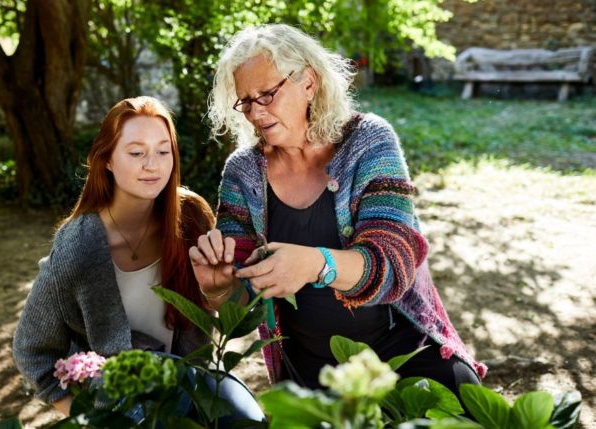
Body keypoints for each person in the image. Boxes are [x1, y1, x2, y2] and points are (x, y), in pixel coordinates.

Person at [189, 24, 487, 397]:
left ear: (308, 82)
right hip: (313, 377)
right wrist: (220, 289)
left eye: (267, 94)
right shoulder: (242, 173)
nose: (255, 113)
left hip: (404, 355)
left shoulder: (368, 143)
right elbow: (244, 311)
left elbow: (394, 268)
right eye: (245, 101)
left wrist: (314, 264)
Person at [12, 96, 263, 423]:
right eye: (136, 152)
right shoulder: (78, 245)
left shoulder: (191, 219)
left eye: (163, 151)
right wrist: (91, 419)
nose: (153, 165)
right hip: (123, 408)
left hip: (193, 391)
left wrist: (219, 289)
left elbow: (233, 311)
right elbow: (32, 351)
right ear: (107, 161)